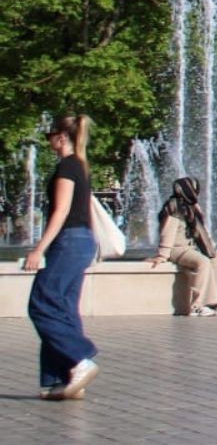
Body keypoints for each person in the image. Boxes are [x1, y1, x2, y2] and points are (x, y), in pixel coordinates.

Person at [21, 113, 100, 402]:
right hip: (81, 241)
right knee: (62, 308)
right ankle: (60, 381)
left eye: (49, 136)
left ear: (61, 137)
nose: (48, 141)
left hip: (68, 241)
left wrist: (38, 248)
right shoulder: (80, 165)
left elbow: (61, 211)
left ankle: (80, 358)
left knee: (41, 305)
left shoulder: (67, 167)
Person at [148, 177, 217, 316]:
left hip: (193, 247)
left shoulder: (193, 206)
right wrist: (162, 255)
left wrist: (211, 247)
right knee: (202, 262)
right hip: (176, 249)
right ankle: (197, 305)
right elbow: (167, 233)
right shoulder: (174, 207)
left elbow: (203, 231)